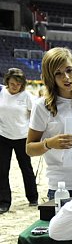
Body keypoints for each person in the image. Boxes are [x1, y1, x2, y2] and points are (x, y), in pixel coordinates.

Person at [27, 47, 72, 200]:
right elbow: (30, 148)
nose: (66, 77)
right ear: (51, 77)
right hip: (61, 187)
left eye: (69, 70)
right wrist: (49, 143)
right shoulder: (42, 106)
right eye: (58, 73)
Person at [0, 67, 38, 214]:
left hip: (22, 137)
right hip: (3, 136)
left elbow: (35, 115)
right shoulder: (1, 93)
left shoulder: (27, 96)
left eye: (19, 84)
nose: (16, 86)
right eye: (13, 83)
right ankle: (4, 202)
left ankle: (32, 197)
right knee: (2, 170)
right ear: (7, 81)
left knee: (26, 168)